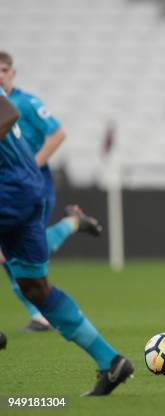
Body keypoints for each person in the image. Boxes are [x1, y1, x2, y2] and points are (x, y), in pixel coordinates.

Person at [0, 86, 133, 395]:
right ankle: (111, 362)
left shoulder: (23, 100)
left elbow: (8, 113)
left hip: (11, 189)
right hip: (27, 188)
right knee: (35, 288)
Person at [0, 51, 102, 332]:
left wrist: (30, 166)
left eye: (5, 69)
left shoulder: (27, 102)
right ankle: (73, 223)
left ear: (13, 73)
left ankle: (39, 313)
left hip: (31, 186)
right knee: (15, 253)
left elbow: (57, 134)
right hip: (10, 184)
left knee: (17, 251)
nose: (1, 74)